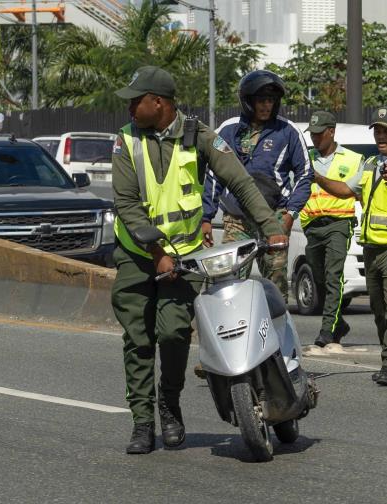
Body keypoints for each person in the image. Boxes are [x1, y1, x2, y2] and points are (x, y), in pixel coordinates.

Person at [111, 65, 287, 454]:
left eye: (135, 101)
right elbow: (125, 202)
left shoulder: (199, 137)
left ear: (158, 102)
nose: (129, 109)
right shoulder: (126, 141)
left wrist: (271, 226)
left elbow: (239, 181)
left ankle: (169, 406)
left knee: (173, 334)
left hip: (186, 256)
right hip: (138, 255)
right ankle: (142, 423)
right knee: (138, 340)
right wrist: (156, 254)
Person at [313, 105, 387, 385]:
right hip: (372, 246)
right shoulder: (370, 163)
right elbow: (346, 191)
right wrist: (317, 177)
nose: (380, 136)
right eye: (377, 130)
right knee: (378, 308)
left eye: (386, 131)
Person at [202, 70, 313, 302]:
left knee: (276, 288)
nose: (266, 106)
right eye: (261, 100)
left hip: (275, 220)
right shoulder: (228, 130)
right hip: (237, 221)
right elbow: (213, 174)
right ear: (248, 101)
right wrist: (206, 218)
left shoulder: (288, 131)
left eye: (271, 101)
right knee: (227, 283)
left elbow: (305, 174)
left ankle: (277, 334)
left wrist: (290, 214)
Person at [300, 111, 364, 347]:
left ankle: (327, 331)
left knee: (332, 275)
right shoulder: (306, 158)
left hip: (339, 223)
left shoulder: (352, 158)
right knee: (318, 277)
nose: (315, 139)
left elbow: (352, 190)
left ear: (331, 131)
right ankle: (339, 324)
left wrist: (318, 178)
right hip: (312, 225)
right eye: (312, 134)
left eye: (319, 134)